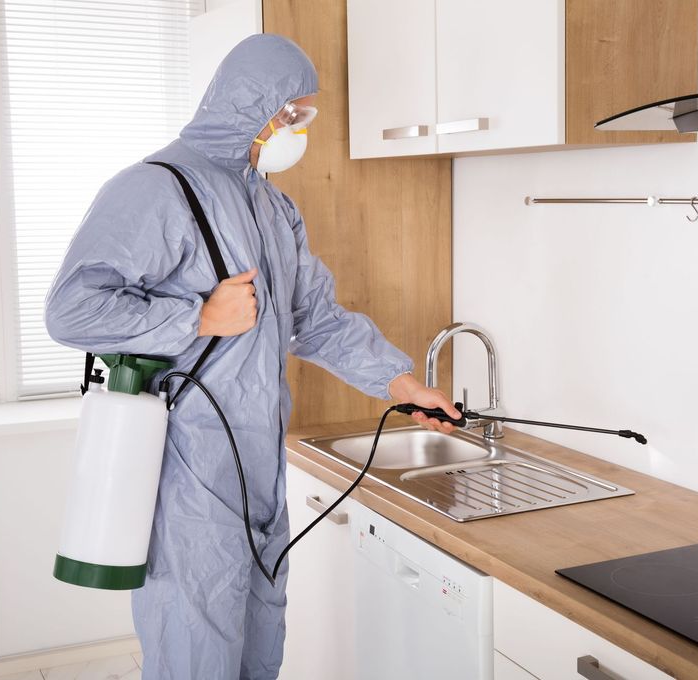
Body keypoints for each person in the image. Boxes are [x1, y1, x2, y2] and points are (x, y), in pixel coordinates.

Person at [44, 34, 459, 680]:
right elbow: (72, 308)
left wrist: (401, 382)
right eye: (291, 114)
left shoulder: (272, 206)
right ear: (249, 104)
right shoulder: (154, 191)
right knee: (193, 660)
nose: (296, 130)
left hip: (260, 482)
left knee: (259, 658)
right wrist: (199, 316)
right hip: (189, 485)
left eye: (302, 117)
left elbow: (314, 318)